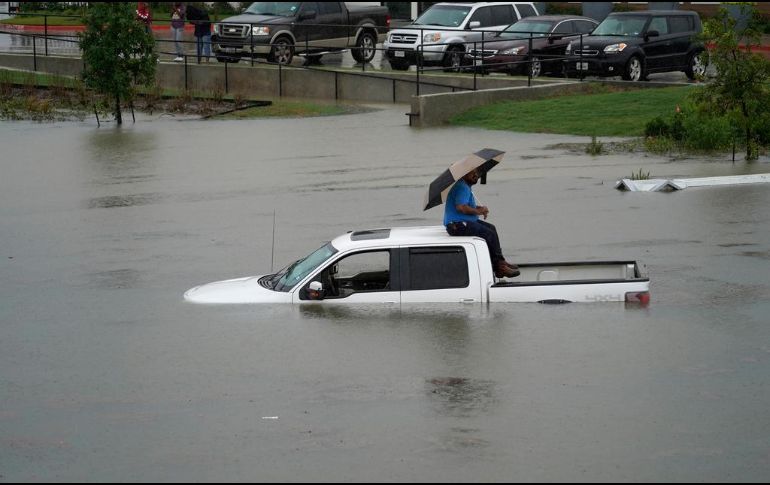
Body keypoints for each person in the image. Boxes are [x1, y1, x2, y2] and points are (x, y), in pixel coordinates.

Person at [444, 169, 520, 278]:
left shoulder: (465, 186)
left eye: (477, 172)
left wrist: (480, 209)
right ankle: (499, 267)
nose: (476, 175)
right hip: (457, 225)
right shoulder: (462, 187)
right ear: (464, 174)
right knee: (489, 234)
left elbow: (466, 206)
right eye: (472, 173)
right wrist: (479, 211)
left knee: (491, 229)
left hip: (463, 222)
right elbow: (461, 207)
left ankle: (500, 262)